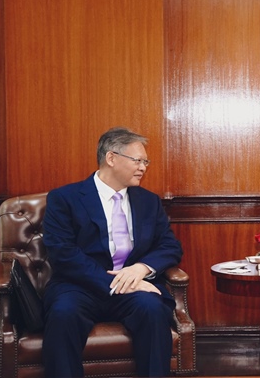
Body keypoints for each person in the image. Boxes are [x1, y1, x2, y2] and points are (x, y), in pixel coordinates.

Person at [42, 127, 183, 377]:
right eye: (137, 160)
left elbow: (169, 245)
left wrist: (141, 269)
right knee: (63, 313)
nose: (143, 167)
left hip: (132, 287)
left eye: (145, 161)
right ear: (111, 158)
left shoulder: (148, 201)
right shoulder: (64, 198)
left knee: (153, 309)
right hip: (80, 286)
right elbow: (63, 254)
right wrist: (118, 281)